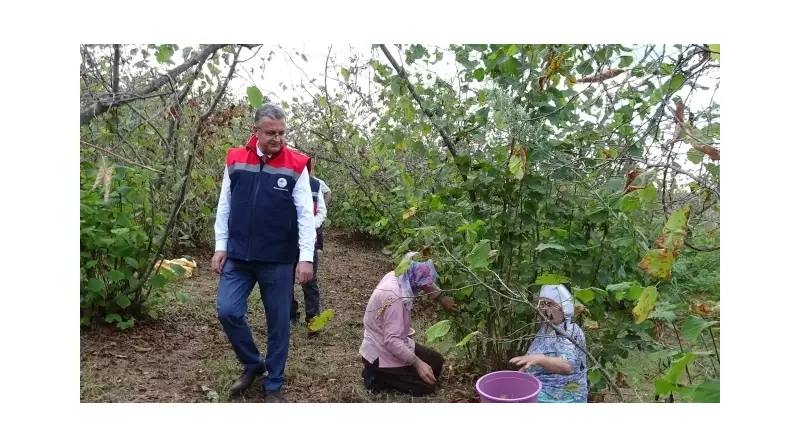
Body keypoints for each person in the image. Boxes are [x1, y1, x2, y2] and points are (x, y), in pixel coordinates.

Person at [212, 103, 316, 403]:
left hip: (278, 259)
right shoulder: (234, 160)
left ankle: (274, 384)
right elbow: (225, 205)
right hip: (239, 256)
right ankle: (253, 363)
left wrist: (305, 257)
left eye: (282, 133)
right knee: (228, 311)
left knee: (279, 322)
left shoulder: (296, 165)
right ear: (255, 131)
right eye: (271, 132)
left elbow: (305, 215)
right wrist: (221, 246)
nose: (277, 138)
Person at [359, 253, 459, 397]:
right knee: (425, 387)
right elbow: (391, 341)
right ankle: (376, 375)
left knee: (436, 362)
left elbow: (424, 280)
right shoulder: (395, 296)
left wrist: (440, 298)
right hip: (380, 350)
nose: (424, 284)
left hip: (390, 340)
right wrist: (417, 363)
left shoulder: (401, 274)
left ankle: (390, 372)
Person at [510, 284, 588, 403]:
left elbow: (567, 366)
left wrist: (539, 359)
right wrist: (517, 380)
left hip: (562, 396)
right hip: (541, 389)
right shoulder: (546, 329)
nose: (545, 309)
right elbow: (532, 360)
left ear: (564, 308)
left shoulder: (569, 330)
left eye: (550, 304)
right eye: (542, 304)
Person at [290, 157, 327, 332]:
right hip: (287, 241)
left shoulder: (316, 185)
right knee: (286, 279)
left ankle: (313, 319)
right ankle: (290, 315)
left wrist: (309, 225)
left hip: (307, 241)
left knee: (310, 281)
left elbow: (321, 211)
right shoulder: (287, 181)